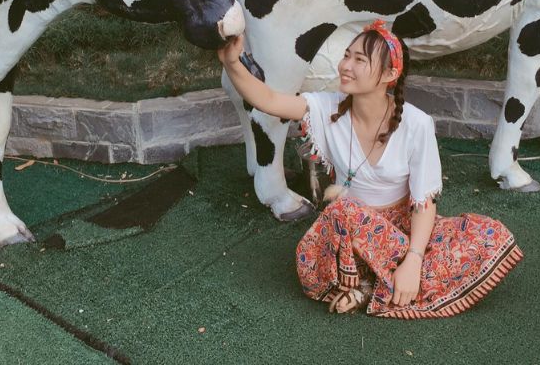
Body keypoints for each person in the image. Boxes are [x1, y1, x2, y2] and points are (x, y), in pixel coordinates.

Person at [217, 20, 523, 318]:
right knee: (336, 222)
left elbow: (424, 204)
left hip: (398, 234)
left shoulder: (416, 124)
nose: (345, 66)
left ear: (390, 73)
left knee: (489, 236)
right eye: (346, 55)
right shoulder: (326, 108)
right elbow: (267, 99)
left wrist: (414, 260)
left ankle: (368, 285)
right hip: (346, 230)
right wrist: (233, 63)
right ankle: (380, 283)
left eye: (359, 59)